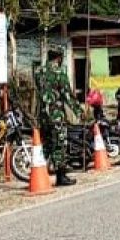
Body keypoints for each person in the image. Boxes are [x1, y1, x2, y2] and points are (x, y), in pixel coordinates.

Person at [34, 49, 80, 186]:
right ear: (59, 58)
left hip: (43, 116)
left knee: (47, 145)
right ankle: (61, 177)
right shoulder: (59, 73)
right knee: (59, 144)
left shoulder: (38, 72)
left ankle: (39, 172)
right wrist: (79, 111)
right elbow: (67, 95)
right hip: (56, 115)